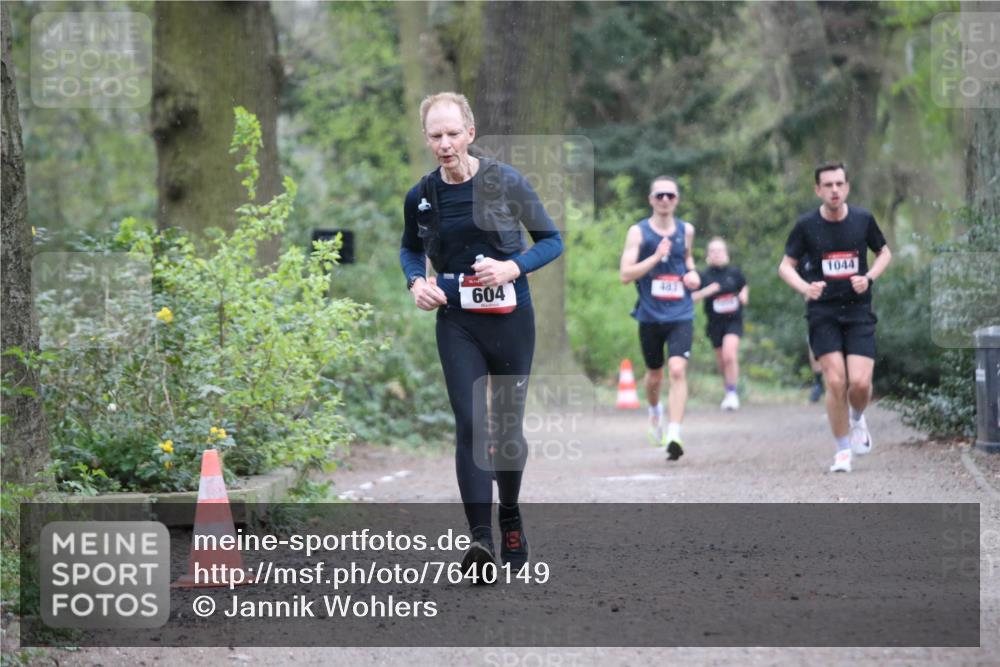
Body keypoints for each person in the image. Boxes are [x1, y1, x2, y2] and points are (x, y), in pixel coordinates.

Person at [399, 92, 563, 579]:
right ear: (427, 139)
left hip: (511, 318)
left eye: (453, 133)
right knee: (471, 424)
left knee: (506, 429)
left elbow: (550, 240)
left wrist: (512, 266)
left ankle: (509, 513)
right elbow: (410, 249)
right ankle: (480, 541)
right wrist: (416, 282)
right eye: (436, 136)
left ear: (470, 133)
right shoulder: (422, 195)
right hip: (457, 321)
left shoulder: (506, 181)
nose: (445, 144)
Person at [778, 162, 892, 473]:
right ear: (818, 190)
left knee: (859, 383)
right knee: (835, 380)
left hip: (857, 311)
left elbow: (885, 253)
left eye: (839, 184)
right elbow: (785, 266)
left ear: (847, 187)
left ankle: (857, 418)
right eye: (827, 185)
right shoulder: (806, 226)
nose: (834, 190)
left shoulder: (862, 219)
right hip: (823, 312)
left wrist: (868, 278)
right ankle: (842, 450)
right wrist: (805, 287)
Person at [620, 176, 700, 461]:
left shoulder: (685, 230)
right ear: (651, 200)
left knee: (677, 370)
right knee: (655, 375)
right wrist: (655, 258)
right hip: (651, 315)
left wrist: (693, 275)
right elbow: (625, 275)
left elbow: (687, 260)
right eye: (659, 195)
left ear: (677, 200)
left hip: (681, 312)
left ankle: (675, 433)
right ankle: (655, 412)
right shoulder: (639, 233)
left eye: (670, 195)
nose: (665, 200)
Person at [692, 237, 748, 410]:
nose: (717, 254)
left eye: (720, 250)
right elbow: (692, 298)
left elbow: (744, 286)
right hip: (714, 323)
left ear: (726, 254)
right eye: (713, 251)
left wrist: (744, 295)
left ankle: (732, 393)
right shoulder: (703, 275)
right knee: (722, 360)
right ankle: (728, 391)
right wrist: (707, 291)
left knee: (729, 354)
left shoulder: (735, 272)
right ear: (708, 255)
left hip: (734, 321)